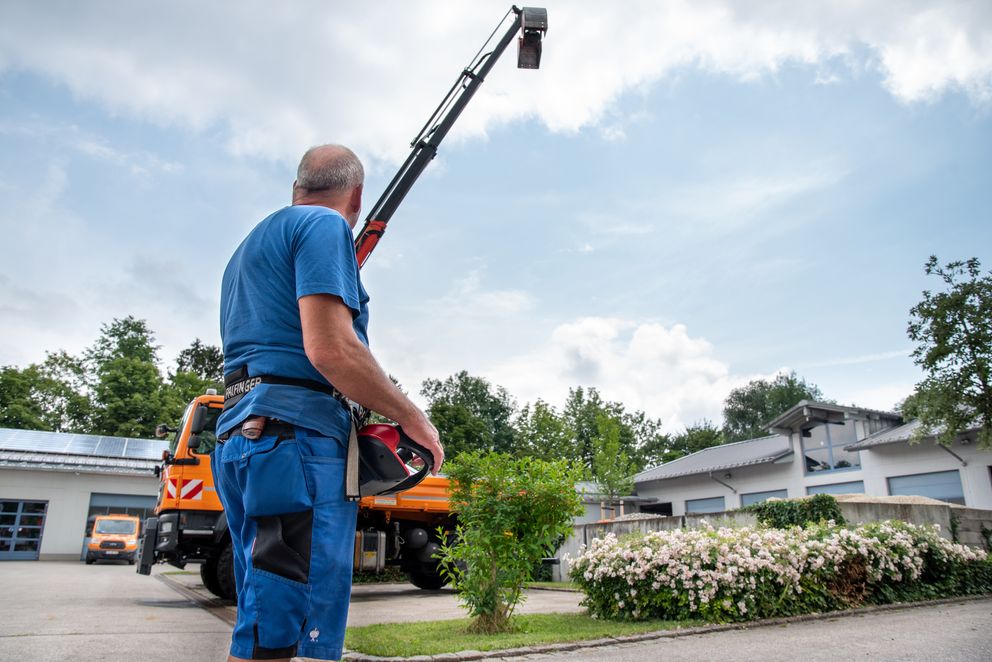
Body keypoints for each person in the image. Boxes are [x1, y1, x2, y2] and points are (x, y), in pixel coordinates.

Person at [214, 144, 444, 662]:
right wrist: (413, 418)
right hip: (296, 442)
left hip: (243, 435)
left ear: (296, 187)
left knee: (266, 626)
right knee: (291, 637)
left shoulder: (245, 252)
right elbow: (332, 350)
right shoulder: (323, 225)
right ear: (357, 197)